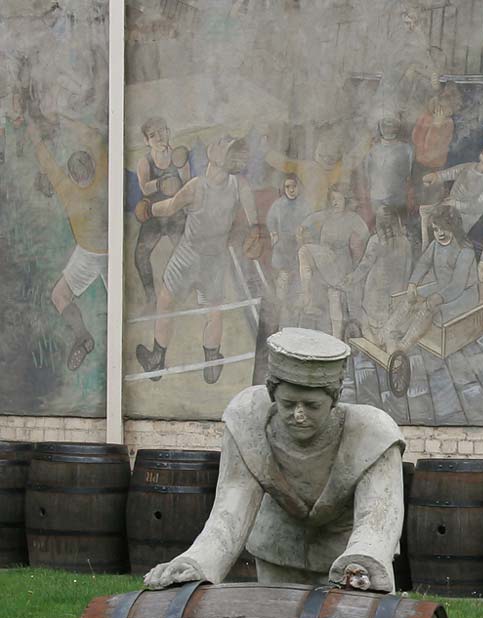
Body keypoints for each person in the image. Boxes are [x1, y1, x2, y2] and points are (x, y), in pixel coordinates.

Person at [143, 328, 405, 592]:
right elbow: (231, 508)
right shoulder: (248, 419)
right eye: (288, 404)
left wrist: (361, 563)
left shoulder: (373, 434)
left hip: (350, 561)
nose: (299, 415)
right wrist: (196, 562)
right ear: (271, 393)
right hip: (278, 552)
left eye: (312, 406)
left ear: (335, 398)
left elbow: (378, 519)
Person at [134, 136, 262, 384]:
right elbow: (253, 220)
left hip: (188, 254)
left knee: (166, 302)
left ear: (221, 156)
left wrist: (149, 209)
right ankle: (212, 366)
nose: (217, 140)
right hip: (214, 258)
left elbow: (170, 206)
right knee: (214, 313)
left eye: (223, 142)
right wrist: (255, 233)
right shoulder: (240, 185)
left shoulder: (197, 186)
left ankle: (157, 360)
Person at [25, 112, 107, 371]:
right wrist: (62, 119)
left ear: (73, 176)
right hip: (107, 250)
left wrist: (33, 125)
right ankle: (85, 338)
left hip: (95, 253)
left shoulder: (66, 188)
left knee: (60, 296)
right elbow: (93, 137)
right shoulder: (105, 170)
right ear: (92, 166)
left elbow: (43, 156)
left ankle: (83, 336)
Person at [387, 204, 479, 352]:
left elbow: (457, 284)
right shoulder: (435, 245)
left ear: (454, 227)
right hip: (442, 286)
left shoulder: (465, 250)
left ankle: (404, 344)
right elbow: (423, 263)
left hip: (465, 295)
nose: (440, 233)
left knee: (428, 307)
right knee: (411, 298)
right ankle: (388, 331)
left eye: (444, 228)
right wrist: (412, 284)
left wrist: (438, 297)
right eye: (436, 229)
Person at [296, 186, 370, 335]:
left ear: (346, 201)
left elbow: (365, 235)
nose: (335, 203)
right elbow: (309, 220)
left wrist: (356, 250)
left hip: (340, 261)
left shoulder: (352, 218)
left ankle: (338, 338)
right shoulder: (327, 215)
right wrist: (301, 228)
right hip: (326, 258)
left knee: (335, 298)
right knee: (304, 252)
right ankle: (306, 295)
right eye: (333, 199)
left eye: (339, 199)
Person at [133, 117, 190, 309]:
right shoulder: (144, 161)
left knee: (187, 254)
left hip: (175, 214)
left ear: (168, 131)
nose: (159, 138)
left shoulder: (178, 157)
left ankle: (183, 296)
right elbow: (144, 189)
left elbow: (188, 185)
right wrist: (160, 184)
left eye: (162, 131)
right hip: (154, 215)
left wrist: (179, 188)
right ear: (146, 141)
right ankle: (151, 299)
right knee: (140, 255)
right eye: (152, 135)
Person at [419, 137, 483, 246]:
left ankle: (435, 250)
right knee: (426, 213)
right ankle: (425, 249)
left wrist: (456, 204)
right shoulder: (470, 166)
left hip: (464, 217)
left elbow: (480, 205)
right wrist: (436, 176)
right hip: (449, 207)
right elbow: (452, 173)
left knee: (446, 234)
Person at [345, 205, 413, 347]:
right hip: (394, 295)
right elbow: (408, 270)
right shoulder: (405, 242)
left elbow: (365, 266)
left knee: (370, 325)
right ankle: (381, 346)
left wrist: (352, 278)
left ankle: (374, 346)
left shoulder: (376, 241)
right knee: (386, 329)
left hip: (377, 293)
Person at [266, 172, 311, 305]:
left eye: (294, 186)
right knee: (284, 275)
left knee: (299, 274)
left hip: (298, 244)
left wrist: (304, 232)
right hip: (283, 245)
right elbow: (271, 220)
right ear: (283, 188)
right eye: (287, 187)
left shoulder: (305, 205)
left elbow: (310, 222)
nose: (291, 189)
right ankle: (280, 302)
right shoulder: (278, 205)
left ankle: (300, 302)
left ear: (299, 187)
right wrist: (274, 233)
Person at [364, 116, 413, 216]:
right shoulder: (373, 151)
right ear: (381, 129)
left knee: (400, 225)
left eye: (391, 127)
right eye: (386, 127)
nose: (388, 129)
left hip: (397, 197)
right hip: (378, 197)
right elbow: (368, 175)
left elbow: (408, 173)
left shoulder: (406, 149)